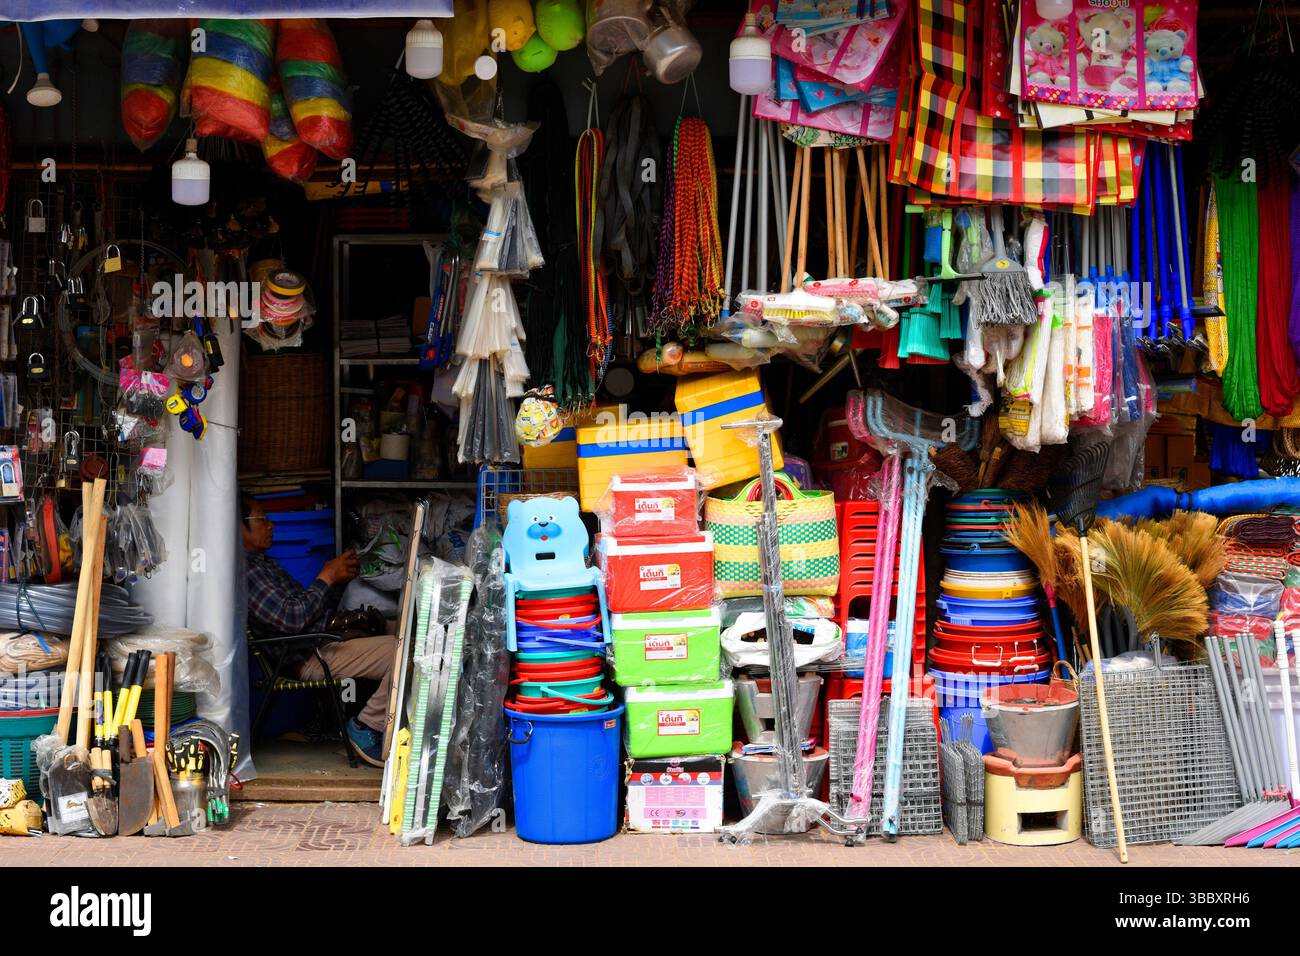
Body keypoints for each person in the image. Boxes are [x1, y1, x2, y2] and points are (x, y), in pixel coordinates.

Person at [241, 497, 394, 767]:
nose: (270, 525)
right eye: (262, 519)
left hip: (318, 641)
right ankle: (366, 725)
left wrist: (337, 580)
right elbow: (292, 619)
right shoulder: (248, 572)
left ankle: (385, 724)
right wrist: (327, 576)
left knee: (403, 630)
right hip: (307, 654)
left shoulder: (264, 564)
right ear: (239, 528)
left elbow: (306, 607)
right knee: (401, 652)